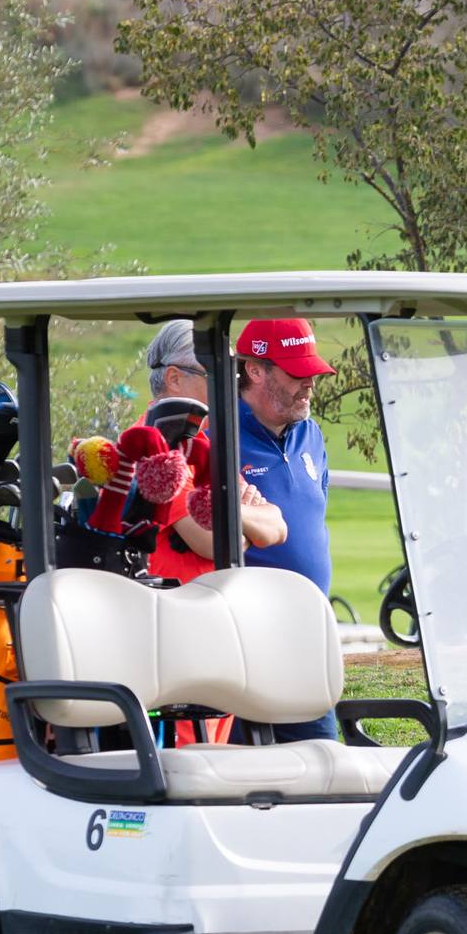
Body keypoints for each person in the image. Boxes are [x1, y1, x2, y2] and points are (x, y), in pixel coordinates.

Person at [227, 316, 336, 742]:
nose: (310, 382)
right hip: (244, 647)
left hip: (308, 644)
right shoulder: (218, 434)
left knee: (324, 767)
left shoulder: (310, 434)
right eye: (297, 372)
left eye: (313, 372)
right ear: (255, 370)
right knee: (243, 782)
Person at [135, 318, 286, 585]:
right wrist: (238, 512)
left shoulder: (200, 443)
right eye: (214, 376)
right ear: (174, 378)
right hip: (170, 611)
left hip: (209, 609)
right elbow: (215, 542)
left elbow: (276, 527)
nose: (228, 388)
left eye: (231, 376)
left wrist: (227, 511)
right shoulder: (152, 447)